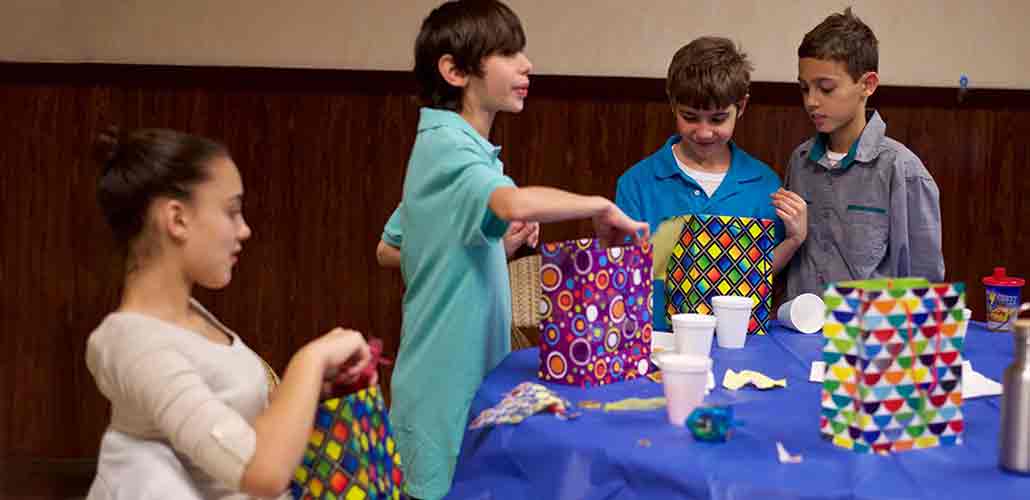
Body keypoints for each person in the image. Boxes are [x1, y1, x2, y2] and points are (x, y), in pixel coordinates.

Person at [375, 1, 649, 497]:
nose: (527, 65)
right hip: (440, 395)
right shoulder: (446, 148)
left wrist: (496, 250)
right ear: (455, 70)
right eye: (507, 52)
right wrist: (598, 204)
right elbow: (511, 201)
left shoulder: (463, 150)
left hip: (473, 384)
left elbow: (425, 254)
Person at [85, 127, 375, 499]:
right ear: (177, 219)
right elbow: (262, 473)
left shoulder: (188, 316)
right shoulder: (134, 345)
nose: (244, 230)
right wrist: (310, 361)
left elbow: (241, 424)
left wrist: (315, 389)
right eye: (231, 212)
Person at [616, 36, 808, 331]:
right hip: (656, 342)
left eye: (718, 119)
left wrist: (794, 240)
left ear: (741, 107)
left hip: (737, 342)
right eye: (690, 117)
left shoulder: (763, 184)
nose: (704, 132)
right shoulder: (636, 184)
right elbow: (624, 275)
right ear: (672, 104)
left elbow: (761, 268)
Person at [785, 8, 945, 298]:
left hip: (867, 336)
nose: (811, 101)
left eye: (826, 88)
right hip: (797, 333)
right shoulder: (799, 161)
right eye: (804, 88)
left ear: (867, 85)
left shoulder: (903, 170)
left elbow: (925, 284)